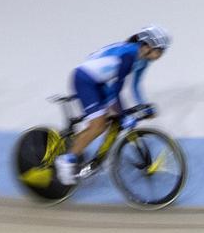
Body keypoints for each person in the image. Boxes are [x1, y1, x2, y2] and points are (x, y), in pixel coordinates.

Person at [56, 25, 170, 186]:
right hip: (85, 79)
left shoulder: (143, 61)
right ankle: (66, 160)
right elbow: (115, 92)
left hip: (100, 82)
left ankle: (100, 158)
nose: (161, 55)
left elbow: (135, 86)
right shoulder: (130, 55)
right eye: (160, 50)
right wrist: (124, 115)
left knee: (112, 117)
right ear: (148, 46)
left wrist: (143, 105)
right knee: (98, 125)